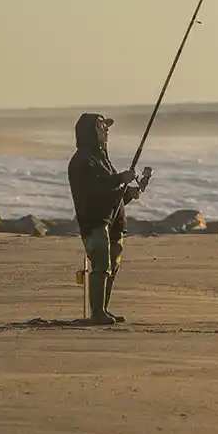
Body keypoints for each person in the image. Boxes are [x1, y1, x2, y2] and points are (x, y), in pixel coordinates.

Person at [67, 113, 151, 325]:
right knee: (101, 265)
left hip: (113, 223)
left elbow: (111, 193)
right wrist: (121, 178)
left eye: (106, 127)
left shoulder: (103, 159)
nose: (106, 131)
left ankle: (103, 309)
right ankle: (97, 313)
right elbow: (95, 189)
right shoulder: (81, 161)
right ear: (90, 132)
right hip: (95, 222)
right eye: (102, 127)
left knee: (112, 266)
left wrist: (128, 194)